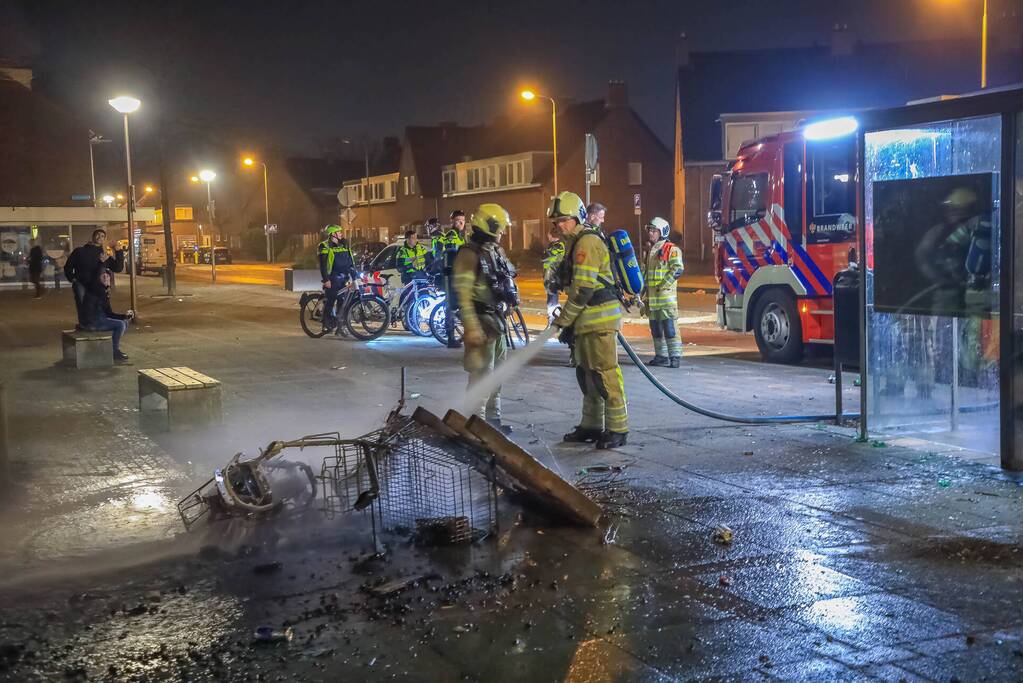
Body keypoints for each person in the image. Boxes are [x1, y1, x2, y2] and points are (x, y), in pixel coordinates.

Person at [549, 191, 628, 450]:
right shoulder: (574, 243)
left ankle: (617, 429)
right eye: (556, 221)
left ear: (577, 217)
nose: (559, 226)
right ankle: (592, 426)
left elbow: (583, 289)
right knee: (586, 375)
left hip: (599, 321)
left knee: (605, 375)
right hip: (586, 323)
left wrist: (564, 320)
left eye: (563, 220)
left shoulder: (587, 243)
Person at [454, 204, 517, 434]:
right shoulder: (468, 254)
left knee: (498, 371)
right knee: (482, 374)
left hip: (496, 320)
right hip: (480, 321)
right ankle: (476, 424)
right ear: (488, 227)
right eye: (499, 229)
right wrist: (471, 327)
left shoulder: (494, 250)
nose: (502, 233)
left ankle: (493, 420)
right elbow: (463, 295)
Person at [641, 217, 685, 367]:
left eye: (654, 230)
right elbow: (645, 273)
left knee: (670, 329)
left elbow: (678, 269)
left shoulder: (671, 249)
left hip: (666, 299)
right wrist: (642, 291)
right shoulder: (650, 251)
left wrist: (663, 285)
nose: (651, 233)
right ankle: (661, 356)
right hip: (653, 300)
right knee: (656, 330)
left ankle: (675, 357)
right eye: (650, 230)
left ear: (662, 232)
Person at [64, 229, 125, 327]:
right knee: (82, 303)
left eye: (102, 236)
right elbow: (68, 266)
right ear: (92, 237)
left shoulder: (103, 255)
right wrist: (72, 279)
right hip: (81, 283)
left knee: (97, 305)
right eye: (98, 235)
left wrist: (118, 251)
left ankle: (93, 324)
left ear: (104, 239)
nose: (100, 237)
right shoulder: (80, 251)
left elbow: (118, 268)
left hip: (97, 286)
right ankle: (84, 325)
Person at [82, 268, 133, 363]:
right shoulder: (96, 289)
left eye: (108, 276)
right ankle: (114, 351)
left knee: (124, 323)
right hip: (92, 321)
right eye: (103, 275)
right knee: (120, 325)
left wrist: (124, 316)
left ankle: (113, 348)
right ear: (98, 278)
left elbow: (109, 312)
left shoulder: (104, 291)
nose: (105, 277)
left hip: (100, 318)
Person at [318, 225, 357, 333]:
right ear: (333, 234)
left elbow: (350, 262)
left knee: (343, 302)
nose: (341, 234)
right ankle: (325, 323)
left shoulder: (344, 244)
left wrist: (355, 277)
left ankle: (340, 326)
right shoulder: (324, 246)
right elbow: (323, 265)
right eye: (339, 232)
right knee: (331, 300)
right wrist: (326, 280)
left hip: (343, 278)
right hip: (332, 278)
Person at [440, 210, 467, 348]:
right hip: (451, 274)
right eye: (458, 220)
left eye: (463, 220)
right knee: (451, 306)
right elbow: (452, 252)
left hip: (459, 274)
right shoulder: (451, 234)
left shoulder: (461, 235)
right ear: (452, 222)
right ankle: (451, 338)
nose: (461, 223)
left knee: (459, 304)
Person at [542, 228, 566, 322]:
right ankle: (553, 320)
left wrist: (544, 253)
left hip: (554, 277)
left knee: (552, 301)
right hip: (549, 276)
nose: (547, 236)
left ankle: (553, 321)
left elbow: (546, 257)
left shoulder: (558, 246)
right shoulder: (553, 246)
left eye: (548, 234)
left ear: (553, 235)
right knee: (551, 300)